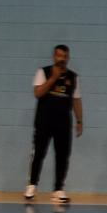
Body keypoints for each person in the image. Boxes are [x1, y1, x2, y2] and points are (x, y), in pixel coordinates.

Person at [25, 44, 82, 204]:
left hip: (63, 124)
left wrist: (79, 121)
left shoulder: (73, 77)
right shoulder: (43, 72)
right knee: (39, 154)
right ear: (53, 57)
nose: (61, 59)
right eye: (59, 56)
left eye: (64, 56)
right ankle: (31, 186)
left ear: (68, 58)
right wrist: (53, 78)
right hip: (44, 122)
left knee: (62, 156)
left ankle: (58, 190)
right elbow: (38, 93)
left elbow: (76, 100)